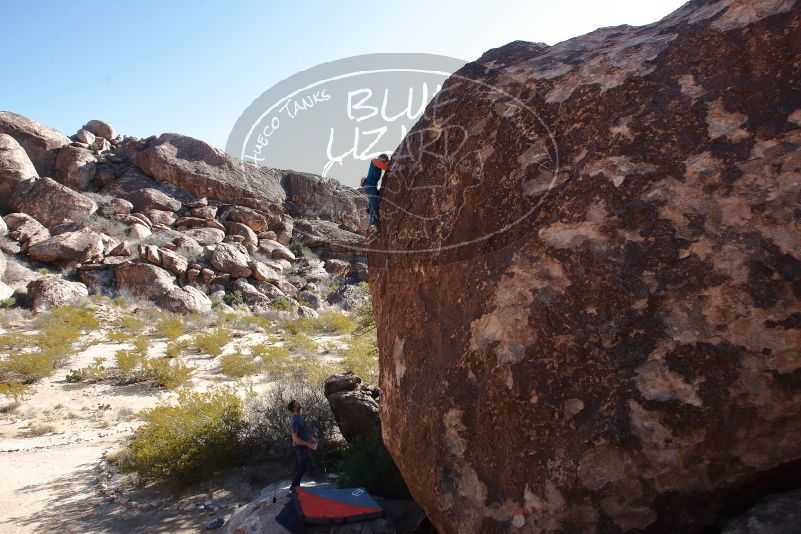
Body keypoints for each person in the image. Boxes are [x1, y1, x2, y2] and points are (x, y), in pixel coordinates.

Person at [288, 399, 316, 491]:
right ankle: (293, 489)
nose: (298, 403)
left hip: (304, 445)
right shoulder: (294, 421)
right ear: (294, 408)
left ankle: (296, 487)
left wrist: (311, 439)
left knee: (303, 465)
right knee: (303, 465)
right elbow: (295, 439)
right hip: (299, 446)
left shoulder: (301, 417)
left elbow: (304, 432)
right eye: (296, 403)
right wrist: (308, 444)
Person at [361, 153, 390, 234]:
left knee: (379, 197)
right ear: (380, 158)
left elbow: (384, 166)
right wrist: (388, 164)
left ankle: (369, 208)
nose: (383, 161)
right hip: (370, 187)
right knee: (375, 205)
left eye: (384, 160)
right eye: (383, 159)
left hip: (372, 187)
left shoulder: (379, 165)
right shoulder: (374, 161)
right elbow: (385, 167)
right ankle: (372, 224)